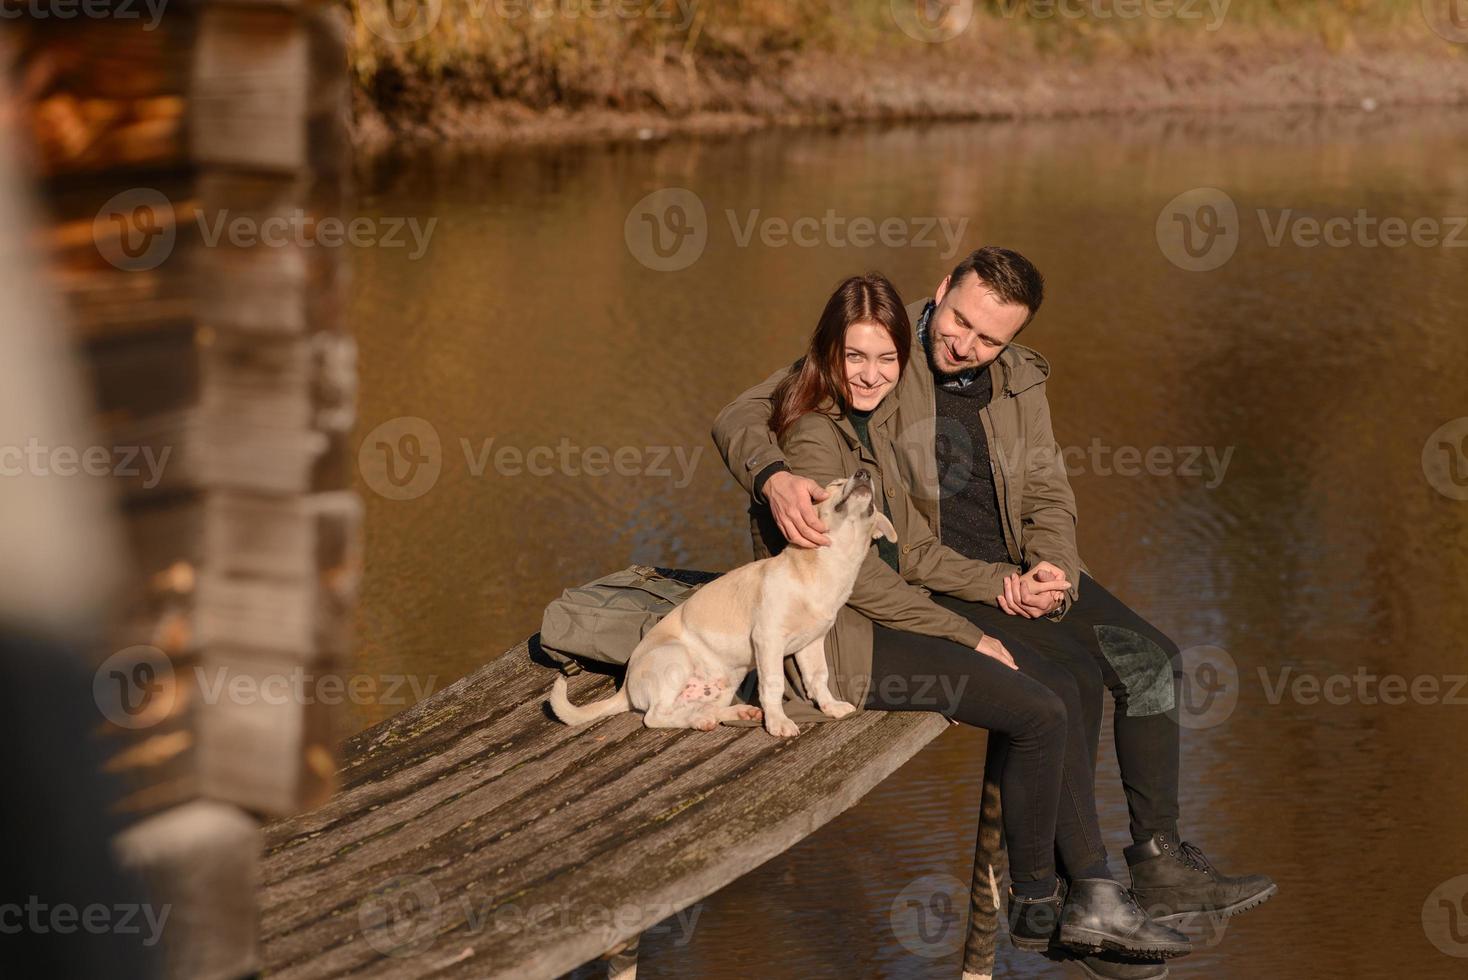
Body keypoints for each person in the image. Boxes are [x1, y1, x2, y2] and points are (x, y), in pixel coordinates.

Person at [714, 249, 1277, 976]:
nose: (965, 346)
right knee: (1062, 683)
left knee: (1153, 660)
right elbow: (746, 413)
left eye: (988, 339)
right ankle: (1074, 900)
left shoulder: (1019, 379)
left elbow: (1047, 486)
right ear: (941, 291)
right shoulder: (882, 350)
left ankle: (1159, 862)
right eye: (959, 323)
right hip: (945, 577)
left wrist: (1053, 565)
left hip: (1018, 562)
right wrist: (772, 475)